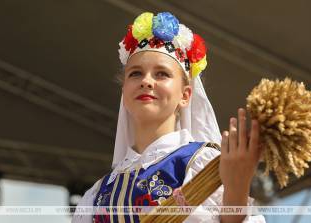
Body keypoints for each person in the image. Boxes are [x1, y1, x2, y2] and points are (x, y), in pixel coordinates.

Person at [72, 11, 266, 223]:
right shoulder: (96, 196)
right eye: (135, 73)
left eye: (161, 74)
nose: (146, 81)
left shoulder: (202, 164)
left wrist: (236, 189)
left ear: (185, 96)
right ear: (124, 93)